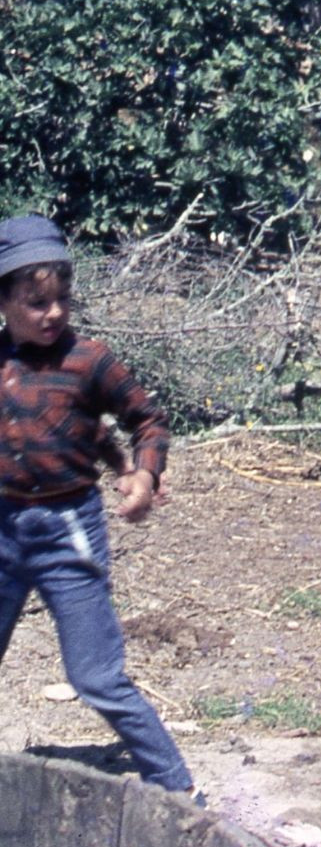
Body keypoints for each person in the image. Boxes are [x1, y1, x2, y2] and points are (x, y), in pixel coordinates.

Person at [0, 215, 202, 804]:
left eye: (61, 299)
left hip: (67, 533)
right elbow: (63, 430)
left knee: (95, 676)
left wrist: (142, 471)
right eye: (36, 302)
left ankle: (175, 785)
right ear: (5, 301)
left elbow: (147, 420)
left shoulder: (90, 361)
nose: (53, 313)